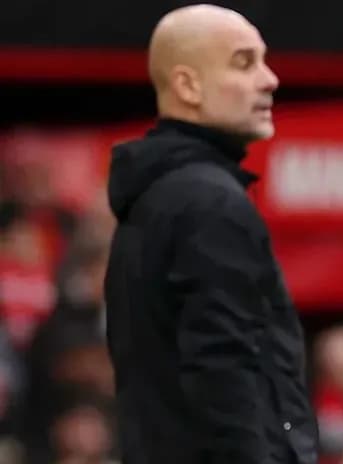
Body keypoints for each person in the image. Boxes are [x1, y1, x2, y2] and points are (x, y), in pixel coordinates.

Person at [103, 4, 319, 464]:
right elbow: (225, 370)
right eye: (244, 62)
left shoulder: (153, 198)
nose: (270, 79)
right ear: (187, 85)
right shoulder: (210, 202)